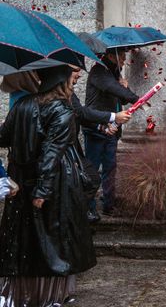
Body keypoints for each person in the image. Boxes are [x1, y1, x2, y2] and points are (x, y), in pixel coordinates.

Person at [0, 65, 96, 306]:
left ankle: (24, 295)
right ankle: (49, 296)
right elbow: (51, 155)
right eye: (71, 78)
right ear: (60, 81)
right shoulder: (62, 111)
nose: (74, 81)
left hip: (21, 182)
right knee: (51, 243)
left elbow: (3, 137)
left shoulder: (23, 104)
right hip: (53, 185)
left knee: (25, 241)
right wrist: (42, 190)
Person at [84, 48, 139, 217]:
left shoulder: (113, 72)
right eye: (122, 57)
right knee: (92, 170)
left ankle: (109, 204)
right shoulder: (99, 71)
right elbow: (113, 89)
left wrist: (125, 86)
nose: (124, 60)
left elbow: (120, 97)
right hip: (96, 128)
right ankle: (89, 208)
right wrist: (137, 98)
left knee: (110, 167)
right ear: (110, 56)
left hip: (112, 129)